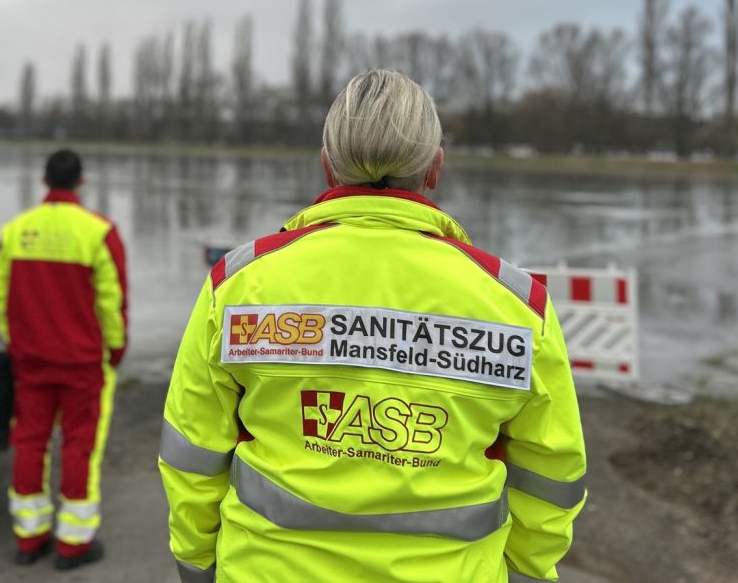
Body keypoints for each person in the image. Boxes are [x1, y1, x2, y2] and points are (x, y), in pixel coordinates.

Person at [159, 70, 586, 582]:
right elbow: (551, 476)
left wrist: (195, 564)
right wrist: (528, 573)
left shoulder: (239, 285)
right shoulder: (516, 307)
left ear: (327, 166)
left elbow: (192, 455)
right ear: (434, 169)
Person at [0, 149, 127, 570]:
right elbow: (112, 302)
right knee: (80, 444)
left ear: (44, 179)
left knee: (29, 440)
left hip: (31, 359)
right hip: (83, 362)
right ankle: (73, 544)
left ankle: (29, 538)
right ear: (80, 181)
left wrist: (17, 342)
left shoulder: (15, 231)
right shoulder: (99, 231)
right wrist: (115, 349)